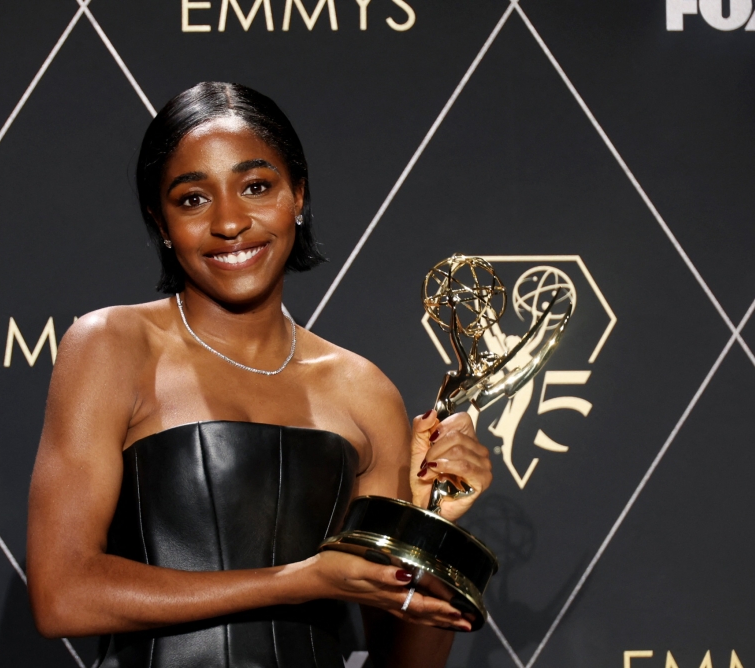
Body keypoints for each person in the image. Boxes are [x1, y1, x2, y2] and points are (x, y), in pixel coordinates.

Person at [26, 82, 493, 668]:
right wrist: (303, 580)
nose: (229, 222)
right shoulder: (111, 347)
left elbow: (405, 661)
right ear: (160, 220)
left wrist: (426, 529)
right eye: (193, 199)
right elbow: (62, 595)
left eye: (256, 187)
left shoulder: (364, 391)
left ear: (298, 194)